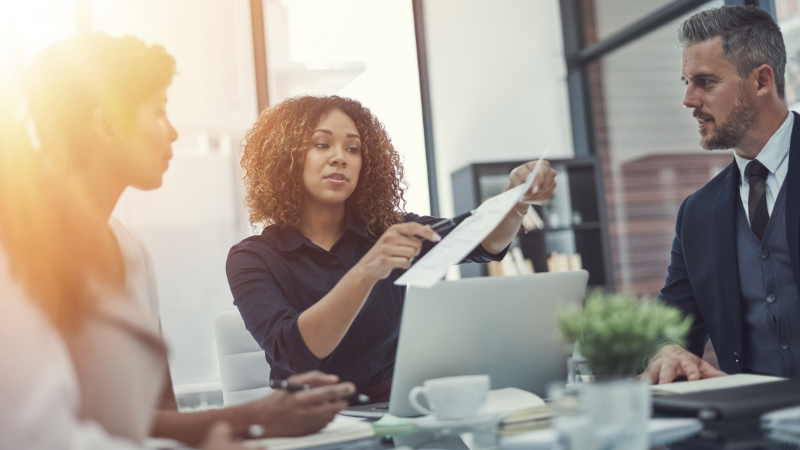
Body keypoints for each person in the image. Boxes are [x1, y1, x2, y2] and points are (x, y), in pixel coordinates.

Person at [0, 32, 352, 449]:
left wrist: (242, 427)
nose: (172, 133)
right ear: (107, 125)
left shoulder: (129, 250)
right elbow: (37, 435)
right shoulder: (17, 247)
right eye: (158, 112)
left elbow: (154, 412)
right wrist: (249, 418)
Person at [226, 95, 557, 402]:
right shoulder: (252, 258)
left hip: (393, 410)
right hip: (307, 424)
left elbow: (480, 239)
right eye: (322, 144)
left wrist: (516, 197)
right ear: (287, 159)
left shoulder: (386, 231)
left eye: (353, 149)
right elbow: (298, 353)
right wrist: (368, 270)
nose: (340, 157)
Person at [642, 5, 800, 384]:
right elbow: (669, 327)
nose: (689, 100)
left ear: (762, 81)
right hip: (749, 434)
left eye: (705, 82)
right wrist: (667, 350)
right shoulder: (696, 213)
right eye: (686, 82)